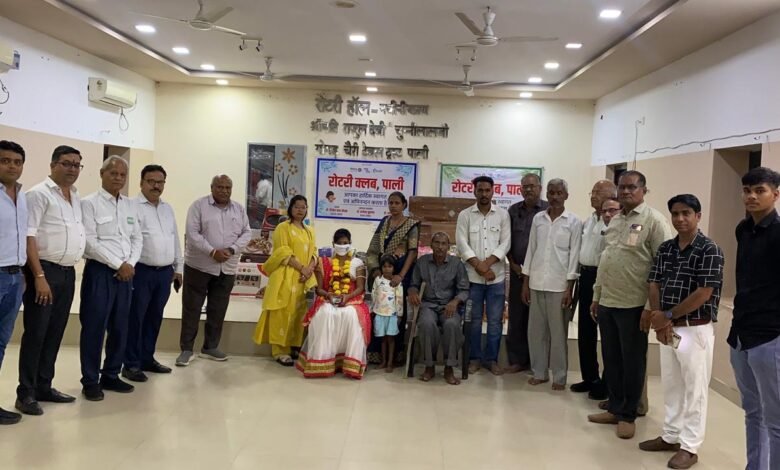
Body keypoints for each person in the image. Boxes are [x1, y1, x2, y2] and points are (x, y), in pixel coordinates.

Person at [639, 194, 724, 469]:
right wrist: (658, 316)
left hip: (693, 330)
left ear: (698, 216)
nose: (680, 219)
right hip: (669, 328)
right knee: (672, 384)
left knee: (694, 389)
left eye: (686, 213)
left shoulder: (709, 249)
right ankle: (671, 435)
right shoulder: (666, 248)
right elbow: (654, 283)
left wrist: (668, 316)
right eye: (675, 214)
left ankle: (690, 446)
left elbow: (704, 292)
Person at [587, 170, 672, 440]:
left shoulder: (654, 220)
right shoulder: (615, 219)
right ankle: (615, 406)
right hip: (608, 301)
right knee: (611, 359)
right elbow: (607, 258)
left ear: (644, 190)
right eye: (621, 187)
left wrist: (650, 306)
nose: (625, 191)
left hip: (635, 305)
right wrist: (597, 296)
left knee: (632, 361)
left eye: (631, 187)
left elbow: (663, 267)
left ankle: (628, 415)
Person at [15, 146, 84, 417]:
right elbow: (29, 237)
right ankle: (26, 393)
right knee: (36, 333)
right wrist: (39, 276)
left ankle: (44, 386)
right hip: (44, 272)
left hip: (67, 273)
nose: (72, 169)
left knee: (55, 332)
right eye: (66, 163)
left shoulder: (74, 196)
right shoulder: (38, 194)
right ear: (53, 164)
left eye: (77, 165)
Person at [729, 167, 780, 470]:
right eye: (747, 190)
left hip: (770, 336)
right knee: (752, 411)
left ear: (775, 194)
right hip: (740, 333)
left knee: (776, 420)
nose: (751, 196)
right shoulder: (743, 229)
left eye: (759, 190)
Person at [79, 156, 142, 401]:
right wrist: (119, 264)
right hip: (100, 273)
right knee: (94, 328)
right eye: (113, 173)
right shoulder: (89, 203)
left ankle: (111, 374)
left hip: (126, 274)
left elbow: (137, 238)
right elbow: (89, 242)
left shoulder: (130, 205)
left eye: (122, 175)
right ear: (102, 173)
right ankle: (90, 380)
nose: (118, 178)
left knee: (120, 327)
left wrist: (131, 264)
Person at [177, 175, 251, 366]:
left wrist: (232, 250)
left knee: (218, 309)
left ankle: (210, 347)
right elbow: (192, 233)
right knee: (192, 308)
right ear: (212, 188)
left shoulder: (239, 209)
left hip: (226, 268)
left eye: (228, 187)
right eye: (220, 187)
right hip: (199, 267)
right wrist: (212, 251)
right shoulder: (198, 206)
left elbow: (247, 233)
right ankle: (186, 349)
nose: (224, 190)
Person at [121, 165, 183, 382]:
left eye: (160, 182)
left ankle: (147, 358)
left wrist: (178, 268)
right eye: (151, 181)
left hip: (164, 273)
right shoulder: (131, 206)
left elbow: (174, 238)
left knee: (155, 317)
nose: (156, 186)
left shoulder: (167, 208)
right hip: (141, 272)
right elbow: (128, 239)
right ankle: (131, 364)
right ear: (141, 182)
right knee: (135, 319)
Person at [522, 178, 582, 390]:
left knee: (558, 334)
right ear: (546, 194)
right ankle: (539, 372)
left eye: (559, 193)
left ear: (566, 196)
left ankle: (559, 376)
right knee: (536, 332)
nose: (555, 197)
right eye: (551, 193)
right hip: (536, 282)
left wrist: (569, 287)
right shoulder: (538, 219)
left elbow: (574, 256)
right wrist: (526, 282)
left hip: (559, 286)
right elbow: (531, 250)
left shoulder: (573, 222)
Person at [297, 229, 371, 379]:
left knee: (351, 314)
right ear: (333, 244)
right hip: (328, 298)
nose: (342, 246)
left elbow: (360, 288)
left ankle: (349, 363)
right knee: (325, 313)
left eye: (345, 243)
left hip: (351, 299)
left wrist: (347, 297)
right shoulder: (324, 262)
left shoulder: (357, 263)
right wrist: (329, 295)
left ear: (350, 244)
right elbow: (319, 289)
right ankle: (323, 361)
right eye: (339, 243)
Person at [456, 175, 511, 376]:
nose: (484, 194)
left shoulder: (503, 215)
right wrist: (479, 266)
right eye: (480, 190)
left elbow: (505, 243)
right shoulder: (465, 215)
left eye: (487, 190)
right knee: (473, 320)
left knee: (495, 321)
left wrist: (486, 265)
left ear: (493, 191)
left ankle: (491, 360)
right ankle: (474, 359)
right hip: (472, 278)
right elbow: (462, 243)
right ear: (474, 191)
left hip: (496, 278)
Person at [254, 195, 317, 366]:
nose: (300, 210)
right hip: (286, 275)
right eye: (297, 207)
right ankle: (280, 351)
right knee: (282, 312)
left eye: (303, 207)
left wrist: (309, 269)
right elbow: (283, 252)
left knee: (298, 313)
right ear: (290, 208)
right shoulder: (283, 228)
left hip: (302, 278)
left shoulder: (309, 230)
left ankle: (293, 346)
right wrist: (302, 268)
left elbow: (314, 252)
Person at [570, 180, 616, 399]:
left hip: (604, 278)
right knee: (585, 330)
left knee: (606, 332)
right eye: (593, 191)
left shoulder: (615, 222)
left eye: (598, 192)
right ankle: (590, 377)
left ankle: (607, 383)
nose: (593, 195)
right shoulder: (589, 221)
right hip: (586, 276)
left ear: (612, 195)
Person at [366, 191, 420, 365]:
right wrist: (376, 270)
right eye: (391, 203)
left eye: (397, 203)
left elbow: (412, 252)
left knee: (396, 315)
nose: (393, 206)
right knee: (379, 314)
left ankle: (395, 357)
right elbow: (373, 249)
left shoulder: (411, 225)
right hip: (383, 275)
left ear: (404, 205)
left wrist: (401, 275)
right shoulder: (384, 222)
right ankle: (377, 355)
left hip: (400, 275)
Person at [409, 232, 470, 385]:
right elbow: (413, 284)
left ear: (448, 247)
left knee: (452, 324)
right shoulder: (422, 262)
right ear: (431, 245)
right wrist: (413, 292)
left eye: (444, 244)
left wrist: (455, 301)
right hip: (428, 305)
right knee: (426, 324)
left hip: (449, 306)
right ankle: (429, 366)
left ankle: (449, 368)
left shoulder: (456, 264)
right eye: (437, 243)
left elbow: (464, 290)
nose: (440, 247)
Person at [506, 173, 548, 374]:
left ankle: (536, 361)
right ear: (520, 189)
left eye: (532, 186)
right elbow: (506, 241)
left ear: (540, 188)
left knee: (538, 319)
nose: (529, 189)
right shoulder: (513, 211)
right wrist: (513, 265)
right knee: (517, 317)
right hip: (517, 272)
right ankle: (517, 360)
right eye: (525, 186)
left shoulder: (548, 210)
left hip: (540, 274)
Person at [0, 140, 27, 425]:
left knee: (0, 342)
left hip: (15, 276)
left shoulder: (22, 196)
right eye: (5, 160)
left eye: (17, 162)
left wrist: (23, 275)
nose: (12, 166)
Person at [371, 255, 404, 372]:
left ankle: (390, 363)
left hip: (392, 315)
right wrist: (372, 310)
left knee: (391, 339)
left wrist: (399, 314)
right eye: (384, 266)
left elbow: (399, 298)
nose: (387, 269)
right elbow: (374, 294)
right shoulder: (378, 280)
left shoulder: (397, 282)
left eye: (390, 266)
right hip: (379, 314)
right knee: (383, 339)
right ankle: (383, 361)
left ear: (394, 268)